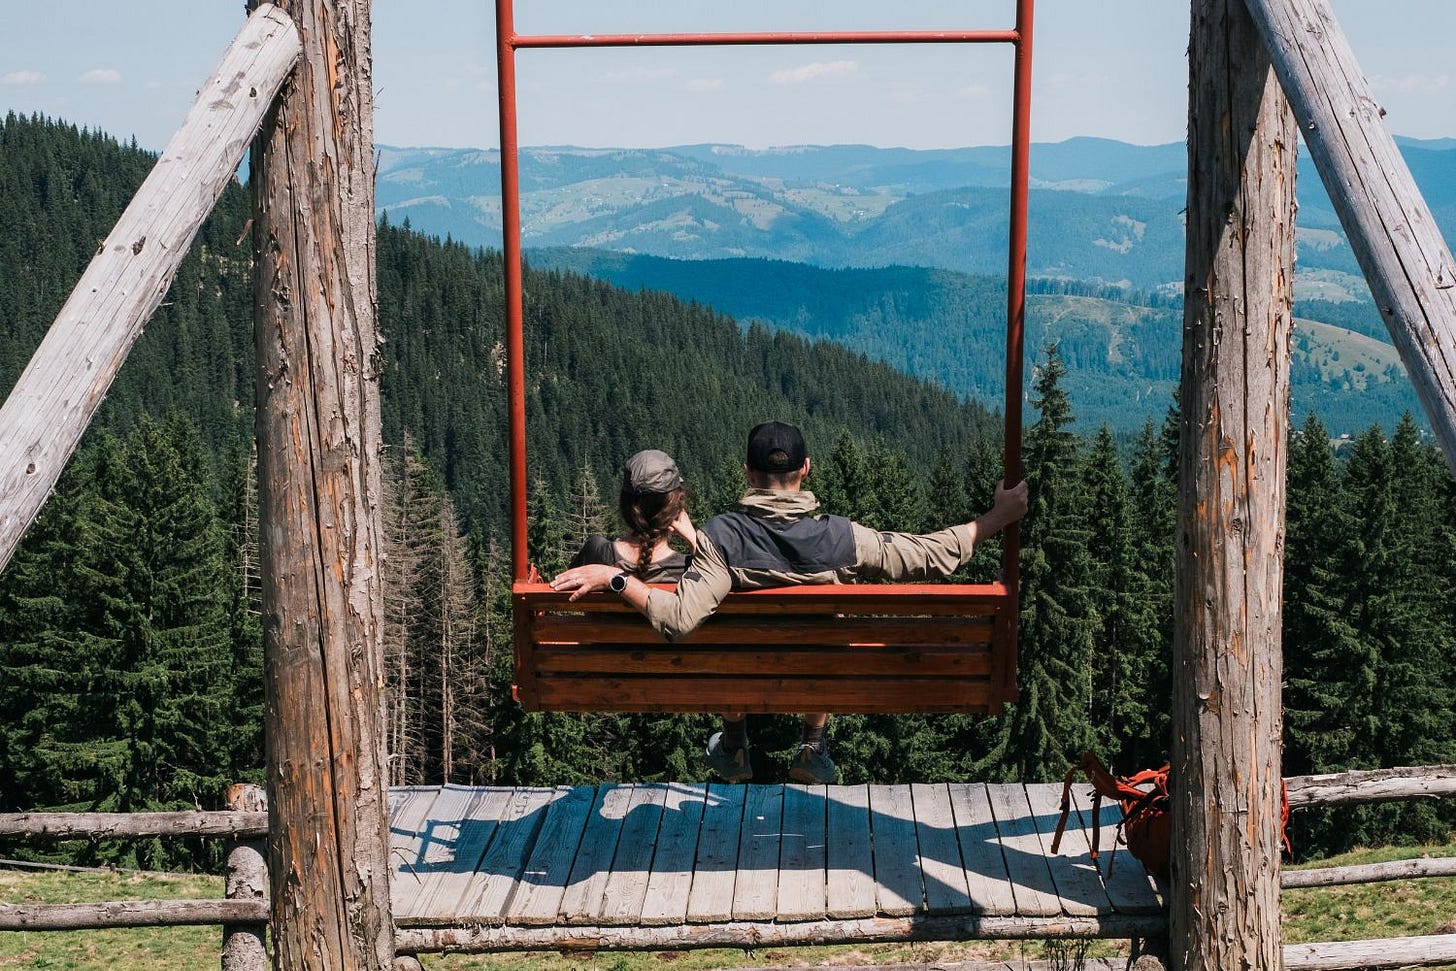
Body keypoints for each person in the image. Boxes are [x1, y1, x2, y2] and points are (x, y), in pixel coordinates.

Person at [551, 421, 1029, 785]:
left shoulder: (722, 539)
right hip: (821, 679)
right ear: (805, 469)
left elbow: (677, 619)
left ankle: (735, 745)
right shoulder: (843, 538)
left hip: (741, 677)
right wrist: (997, 517)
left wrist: (616, 577)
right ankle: (812, 745)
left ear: (747, 473)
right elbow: (926, 555)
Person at [569, 449, 696, 583]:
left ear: (625, 505)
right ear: (676, 510)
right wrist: (695, 541)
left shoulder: (596, 552)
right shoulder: (688, 569)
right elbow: (707, 583)